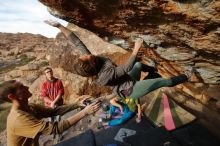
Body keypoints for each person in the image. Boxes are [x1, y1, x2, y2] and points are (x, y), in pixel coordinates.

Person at [44, 20, 190, 101]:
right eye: (87, 56)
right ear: (92, 63)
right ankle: (187, 75)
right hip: (130, 90)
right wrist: (136, 47)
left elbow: (78, 43)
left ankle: (153, 70)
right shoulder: (103, 76)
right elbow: (126, 68)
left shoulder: (91, 62)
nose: (87, 53)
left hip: (127, 79)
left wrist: (60, 26)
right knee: (164, 82)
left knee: (139, 64)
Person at [0, 80, 100, 146]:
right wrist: (85, 112)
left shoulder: (29, 107)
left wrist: (77, 104)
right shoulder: (18, 119)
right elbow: (55, 129)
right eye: (21, 87)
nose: (27, 87)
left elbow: (53, 111)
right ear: (11, 97)